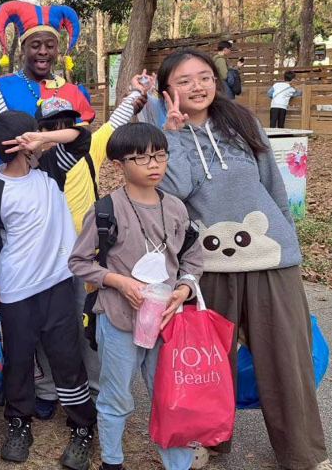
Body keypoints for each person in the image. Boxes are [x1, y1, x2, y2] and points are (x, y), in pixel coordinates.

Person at [157, 47, 332, 470]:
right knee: (208, 362)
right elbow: (175, 192)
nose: (197, 86)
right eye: (184, 81)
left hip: (269, 257)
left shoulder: (242, 121)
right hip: (208, 265)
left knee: (286, 360)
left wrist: (289, 242)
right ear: (167, 91)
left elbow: (273, 185)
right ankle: (207, 440)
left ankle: (303, 455)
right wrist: (172, 134)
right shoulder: (163, 137)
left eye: (204, 77)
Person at [69, 123, 203, 470]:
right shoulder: (105, 211)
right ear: (118, 164)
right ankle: (112, 461)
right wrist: (118, 282)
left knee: (171, 397)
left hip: (166, 322)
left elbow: (192, 258)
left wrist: (183, 289)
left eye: (159, 155)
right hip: (118, 320)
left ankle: (178, 464)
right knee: (116, 396)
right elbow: (78, 262)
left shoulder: (176, 209)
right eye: (141, 158)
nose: (153, 164)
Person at [0, 110, 98, 469]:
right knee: (19, 358)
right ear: (20, 144)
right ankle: (19, 423)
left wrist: (45, 138)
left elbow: (82, 137)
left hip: (57, 283)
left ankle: (83, 425)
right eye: (31, 134)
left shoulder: (49, 170)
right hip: (16, 288)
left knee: (67, 355)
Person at [0, 2, 95, 125]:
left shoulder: (73, 92)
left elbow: (84, 134)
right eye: (35, 46)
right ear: (23, 49)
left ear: (57, 49)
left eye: (50, 46)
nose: (43, 51)